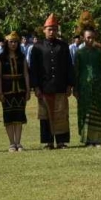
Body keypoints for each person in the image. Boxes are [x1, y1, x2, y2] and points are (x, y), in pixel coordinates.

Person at [30, 13, 74, 149]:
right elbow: (34, 68)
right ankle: (48, 142)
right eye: (49, 29)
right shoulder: (37, 47)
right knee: (45, 116)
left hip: (60, 86)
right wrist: (35, 86)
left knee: (61, 115)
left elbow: (69, 66)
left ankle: (61, 141)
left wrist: (70, 84)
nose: (52, 32)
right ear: (44, 30)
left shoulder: (63, 46)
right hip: (44, 88)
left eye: (54, 29)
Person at [74, 28, 101, 147]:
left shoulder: (98, 53)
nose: (90, 40)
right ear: (84, 38)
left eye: (92, 38)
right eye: (88, 37)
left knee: (98, 112)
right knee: (87, 113)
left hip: (98, 86)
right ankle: (88, 140)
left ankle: (97, 140)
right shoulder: (79, 53)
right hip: (84, 88)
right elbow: (76, 72)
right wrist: (76, 88)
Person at [0, 31, 31, 151]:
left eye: (15, 42)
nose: (13, 44)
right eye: (11, 42)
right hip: (7, 91)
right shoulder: (1, 58)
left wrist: (28, 90)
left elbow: (26, 74)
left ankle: (18, 142)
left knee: (19, 116)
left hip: (20, 90)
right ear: (6, 43)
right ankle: (11, 143)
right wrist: (0, 92)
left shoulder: (22, 57)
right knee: (9, 117)